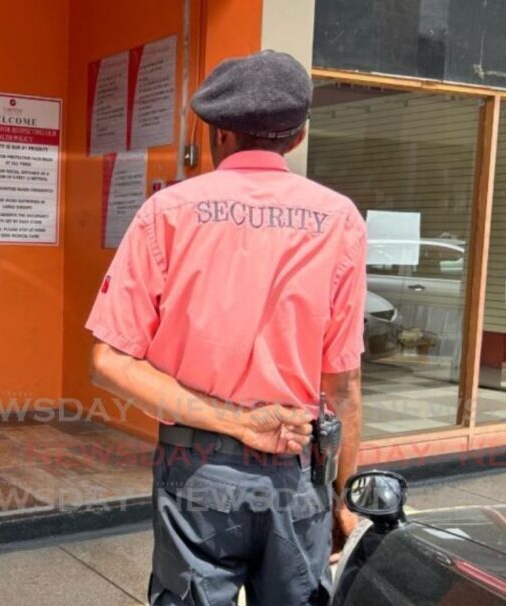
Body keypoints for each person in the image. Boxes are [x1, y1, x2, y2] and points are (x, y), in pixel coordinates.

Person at [86, 50, 364, 606]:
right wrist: (339, 497)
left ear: (217, 133)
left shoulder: (166, 213)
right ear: (299, 135)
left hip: (196, 474)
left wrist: (235, 422)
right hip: (297, 470)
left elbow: (109, 361)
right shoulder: (341, 221)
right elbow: (344, 386)